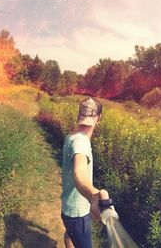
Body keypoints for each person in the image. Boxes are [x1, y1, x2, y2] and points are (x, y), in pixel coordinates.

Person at [61, 97, 109, 248]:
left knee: (70, 234)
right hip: (77, 214)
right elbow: (79, 173)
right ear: (98, 118)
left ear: (80, 115)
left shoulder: (72, 136)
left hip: (68, 208)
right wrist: (93, 195)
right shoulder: (81, 142)